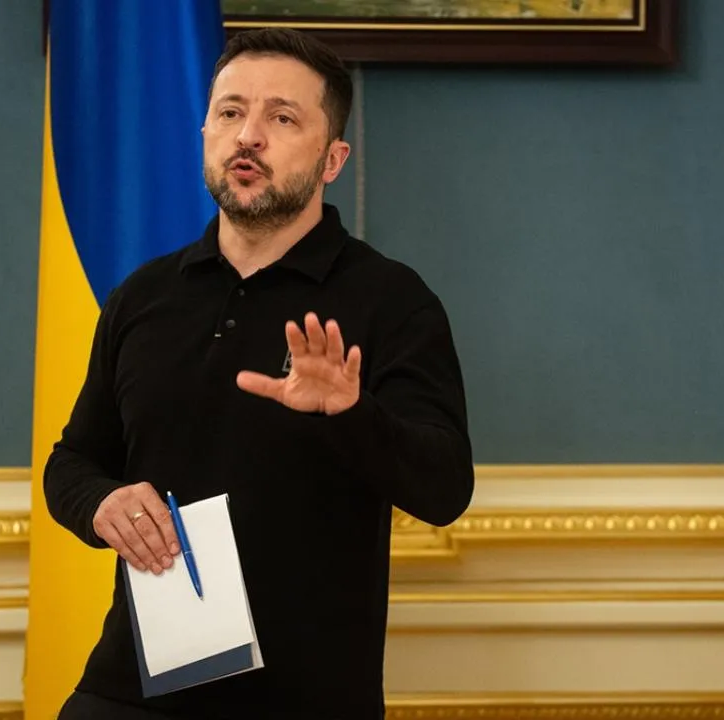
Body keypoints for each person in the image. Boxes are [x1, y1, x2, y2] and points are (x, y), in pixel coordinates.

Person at [47, 27, 475, 720]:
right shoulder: (143, 296)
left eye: (282, 118)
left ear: (333, 159)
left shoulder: (392, 301)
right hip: (130, 689)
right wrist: (101, 502)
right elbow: (73, 460)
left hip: (305, 699)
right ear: (205, 133)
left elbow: (446, 488)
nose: (248, 136)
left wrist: (350, 415)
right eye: (230, 112)